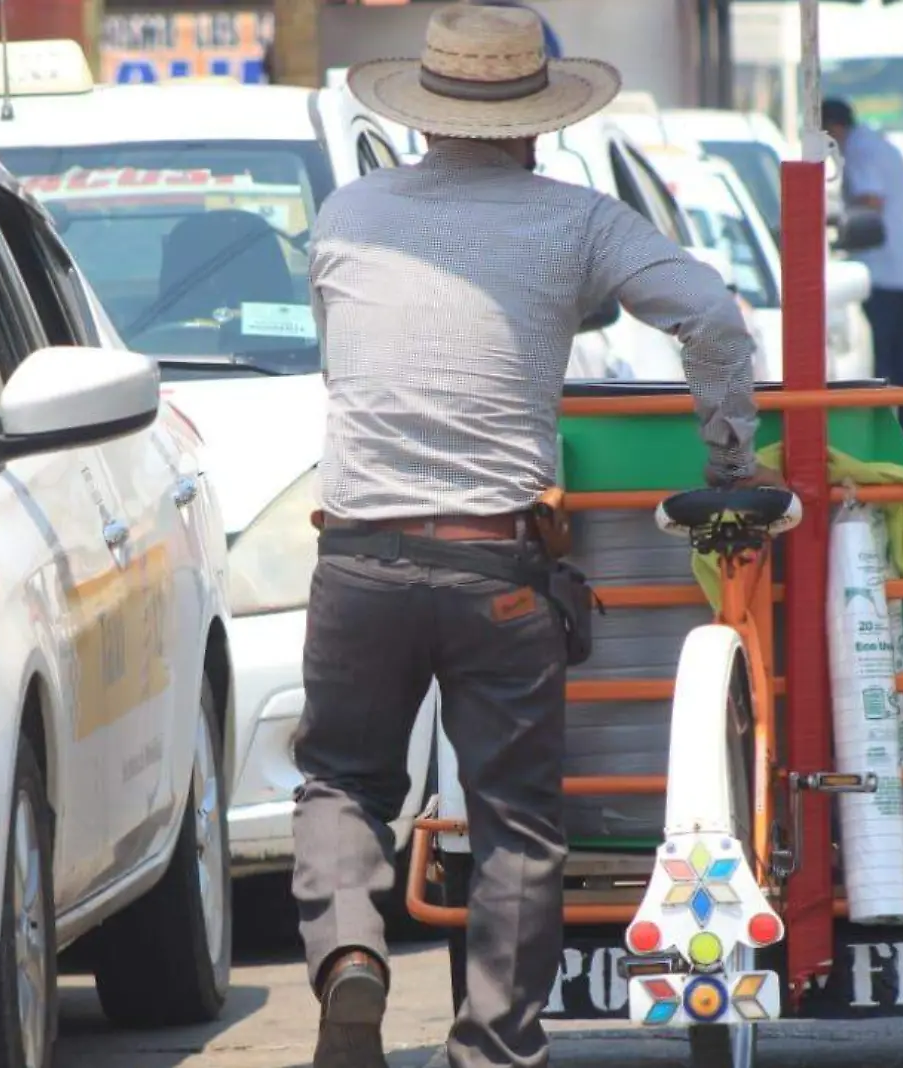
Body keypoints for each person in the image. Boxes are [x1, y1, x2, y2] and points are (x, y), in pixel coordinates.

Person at [293, 7, 773, 1067]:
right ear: (536, 123)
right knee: (514, 821)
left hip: (359, 559)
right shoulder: (577, 222)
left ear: (420, 118)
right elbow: (712, 318)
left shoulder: (348, 213)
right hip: (496, 567)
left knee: (343, 783)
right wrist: (729, 461)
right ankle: (493, 1049)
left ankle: (350, 960)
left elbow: (349, 364)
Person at [823, 96, 903, 451]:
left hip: (879, 273)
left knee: (879, 371)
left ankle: (886, 447)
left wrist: (835, 214)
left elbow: (872, 200)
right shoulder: (884, 146)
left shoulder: (861, 152)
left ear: (833, 130)